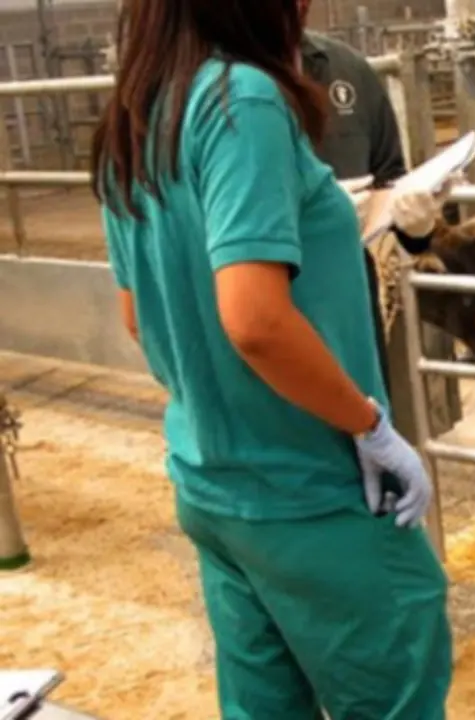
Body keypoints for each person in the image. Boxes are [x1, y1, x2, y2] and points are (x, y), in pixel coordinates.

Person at [91, 2, 452, 718]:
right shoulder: (241, 100)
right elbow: (254, 317)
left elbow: (138, 316)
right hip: (309, 489)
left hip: (214, 486)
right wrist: (368, 425)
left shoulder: (137, 116)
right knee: (393, 693)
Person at [296, 0, 447, 388]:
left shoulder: (346, 70)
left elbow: (389, 174)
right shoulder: (218, 90)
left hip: (350, 295)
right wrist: (309, 219)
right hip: (271, 292)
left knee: (367, 419)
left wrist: (417, 225)